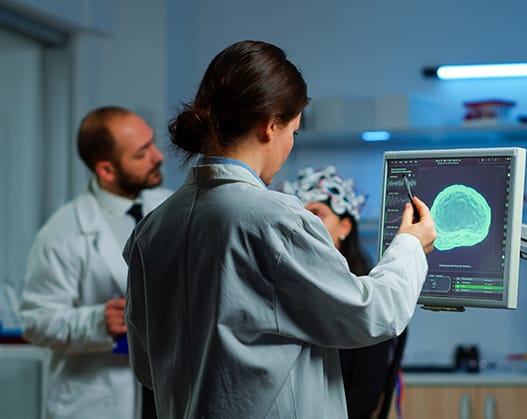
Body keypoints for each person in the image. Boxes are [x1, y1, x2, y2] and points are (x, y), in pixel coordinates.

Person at [122, 39, 436, 419]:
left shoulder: (153, 227)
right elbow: (373, 315)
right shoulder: (273, 218)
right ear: (270, 126)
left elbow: (146, 365)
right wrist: (410, 245)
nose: (289, 144)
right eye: (293, 133)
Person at [20, 106, 172, 419]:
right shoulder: (62, 233)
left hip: (166, 391)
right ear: (106, 170)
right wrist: (96, 322)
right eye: (142, 153)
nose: (158, 156)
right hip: (98, 400)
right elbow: (35, 321)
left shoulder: (169, 207)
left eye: (152, 144)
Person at [281, 165, 405, 419]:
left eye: (317, 214)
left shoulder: (367, 296)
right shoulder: (284, 290)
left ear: (345, 227)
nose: (307, 225)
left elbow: (365, 397)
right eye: (300, 216)